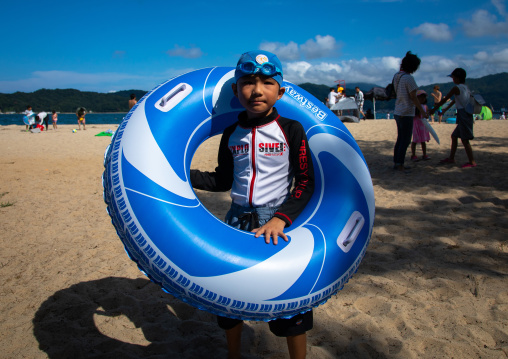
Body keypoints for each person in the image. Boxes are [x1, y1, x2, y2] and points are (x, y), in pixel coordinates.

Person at [190, 50, 315, 359]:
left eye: (267, 83)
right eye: (247, 82)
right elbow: (222, 180)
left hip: (277, 220)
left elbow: (305, 183)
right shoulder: (231, 133)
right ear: (236, 90)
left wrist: (282, 219)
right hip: (236, 219)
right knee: (229, 296)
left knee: (290, 303)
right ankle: (234, 354)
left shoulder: (292, 129)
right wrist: (183, 174)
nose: (257, 90)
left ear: (280, 91)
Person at [431, 68, 477, 168]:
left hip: (464, 115)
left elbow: (445, 99)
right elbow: (454, 101)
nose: (452, 79)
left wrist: (433, 110)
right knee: (454, 136)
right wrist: (445, 110)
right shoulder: (465, 88)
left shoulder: (456, 88)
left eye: (453, 77)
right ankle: (451, 158)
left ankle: (472, 162)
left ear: (457, 78)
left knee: (465, 140)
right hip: (464, 114)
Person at [392, 51, 428, 171]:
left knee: (400, 138)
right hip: (406, 112)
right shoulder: (409, 78)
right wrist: (422, 111)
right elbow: (413, 96)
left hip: (398, 110)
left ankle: (396, 161)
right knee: (406, 139)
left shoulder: (397, 76)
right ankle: (399, 163)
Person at [410, 90, 431, 161]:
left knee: (423, 140)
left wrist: (427, 115)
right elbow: (412, 116)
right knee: (415, 140)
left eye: (423, 97)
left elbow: (427, 115)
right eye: (420, 97)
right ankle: (413, 154)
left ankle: (424, 154)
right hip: (416, 125)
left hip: (423, 125)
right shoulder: (414, 106)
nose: (422, 99)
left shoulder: (425, 106)